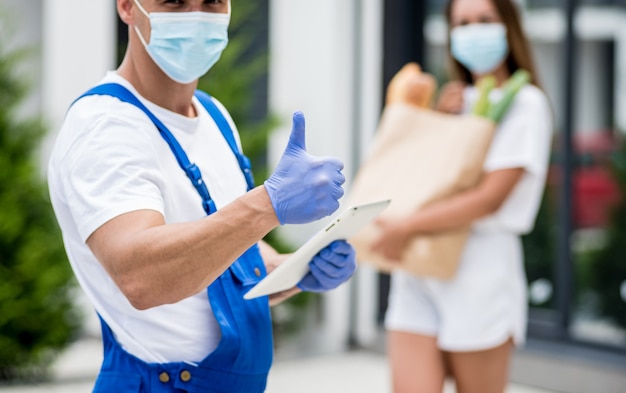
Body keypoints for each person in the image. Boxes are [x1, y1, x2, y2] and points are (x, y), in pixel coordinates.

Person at [47, 1, 356, 392]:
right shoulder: (107, 126)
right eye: (175, 0)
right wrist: (266, 205)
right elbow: (140, 276)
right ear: (127, 6)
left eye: (212, 1)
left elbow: (228, 264)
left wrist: (299, 269)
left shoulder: (212, 115)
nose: (196, 15)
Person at [371, 0, 553, 392]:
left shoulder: (527, 104)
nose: (473, 31)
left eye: (484, 21)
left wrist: (405, 226)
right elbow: (425, 180)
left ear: (508, 26)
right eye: (462, 23)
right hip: (420, 266)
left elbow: (490, 199)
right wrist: (435, 122)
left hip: (479, 271)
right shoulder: (453, 100)